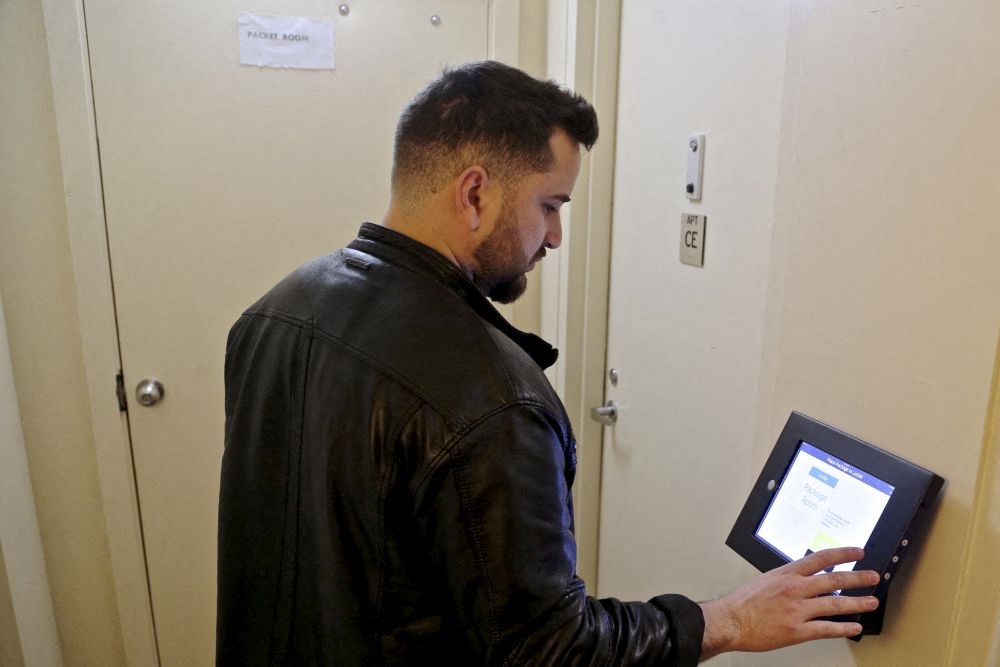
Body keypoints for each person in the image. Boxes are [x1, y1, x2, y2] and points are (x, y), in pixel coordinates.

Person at [217, 61, 880, 665]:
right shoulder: (491, 401)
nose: (556, 236)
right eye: (550, 205)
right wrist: (728, 620)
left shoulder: (275, 311)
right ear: (474, 194)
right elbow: (552, 650)